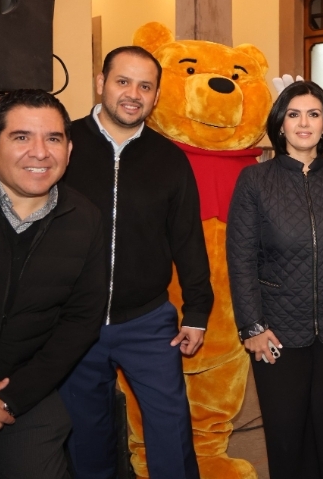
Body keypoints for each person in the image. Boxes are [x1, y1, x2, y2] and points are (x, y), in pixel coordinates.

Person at [59, 46, 214, 479]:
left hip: (148, 321)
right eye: (123, 81)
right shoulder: (62, 145)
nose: (133, 94)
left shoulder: (170, 158)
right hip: (74, 321)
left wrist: (197, 311)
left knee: (171, 432)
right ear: (101, 83)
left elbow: (187, 238)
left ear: (156, 96)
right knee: (86, 439)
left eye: (145, 86)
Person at [0, 89, 106, 478]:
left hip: (19, 388)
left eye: (53, 139)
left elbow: (81, 322)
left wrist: (8, 401)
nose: (40, 152)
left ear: (69, 150)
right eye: (21, 137)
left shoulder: (85, 219)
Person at [227, 80, 323, 479]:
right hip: (276, 330)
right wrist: (252, 327)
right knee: (286, 432)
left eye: (313, 114)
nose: (304, 123)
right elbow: (241, 258)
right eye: (294, 114)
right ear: (281, 123)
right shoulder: (254, 181)